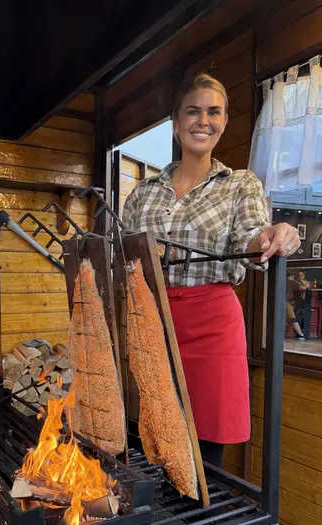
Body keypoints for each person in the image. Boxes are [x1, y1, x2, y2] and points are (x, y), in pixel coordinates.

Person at [122, 73, 300, 469]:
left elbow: (252, 235)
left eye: (213, 112)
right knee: (151, 435)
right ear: (176, 122)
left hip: (212, 325)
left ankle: (199, 508)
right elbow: (123, 254)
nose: (203, 120)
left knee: (204, 450)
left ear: (224, 122)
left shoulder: (240, 185)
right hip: (151, 321)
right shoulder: (143, 192)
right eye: (193, 111)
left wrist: (273, 235)